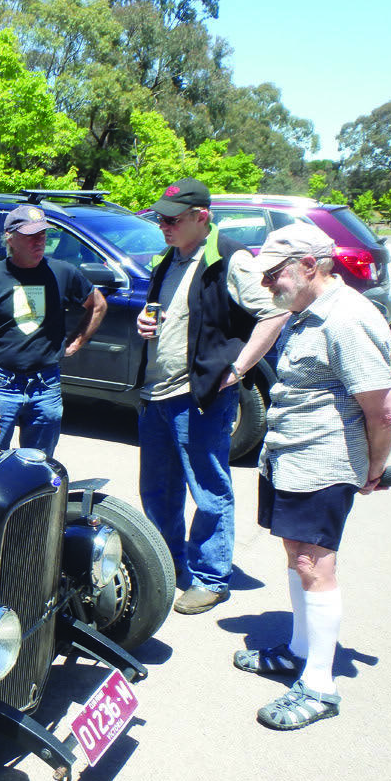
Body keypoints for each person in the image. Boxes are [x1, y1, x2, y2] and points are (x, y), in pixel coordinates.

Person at [232, 223, 391, 730]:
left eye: (274, 275)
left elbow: (384, 411)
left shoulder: (346, 318)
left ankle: (320, 686)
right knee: (295, 553)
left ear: (310, 265)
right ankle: (299, 651)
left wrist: (371, 470)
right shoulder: (306, 313)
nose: (267, 286)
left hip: (323, 462)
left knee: (313, 563)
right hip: (290, 457)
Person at [137, 178, 290, 615]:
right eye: (160, 218)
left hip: (198, 396)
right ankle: (166, 565)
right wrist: (146, 327)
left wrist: (240, 368)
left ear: (201, 217)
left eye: (172, 219)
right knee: (159, 491)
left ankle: (211, 577)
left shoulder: (231, 258)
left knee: (208, 490)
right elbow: (170, 318)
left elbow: (275, 311)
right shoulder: (171, 258)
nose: (163, 225)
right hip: (156, 394)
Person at [0, 204, 107, 459]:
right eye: (31, 235)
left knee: (38, 465)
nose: (39, 241)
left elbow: (98, 305)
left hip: (45, 386)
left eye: (43, 234)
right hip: (0, 385)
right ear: (11, 238)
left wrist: (76, 342)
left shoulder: (62, 272)